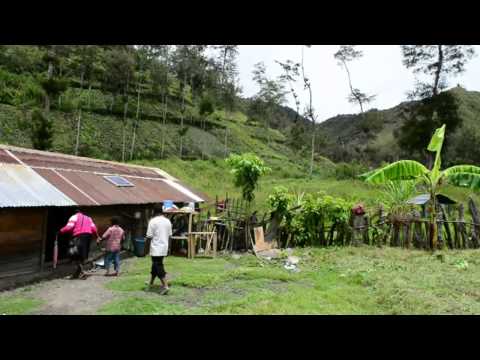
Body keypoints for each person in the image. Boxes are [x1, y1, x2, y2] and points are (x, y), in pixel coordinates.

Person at [59, 208, 99, 279]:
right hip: (88, 237)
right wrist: (97, 236)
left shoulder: (74, 217)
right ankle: (77, 274)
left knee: (74, 254)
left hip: (78, 237)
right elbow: (94, 228)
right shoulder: (88, 218)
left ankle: (82, 272)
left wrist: (60, 231)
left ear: (75, 212)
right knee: (82, 256)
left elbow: (69, 227)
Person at [145, 205, 172, 294]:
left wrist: (145, 249)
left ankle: (165, 286)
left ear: (153, 212)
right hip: (164, 246)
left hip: (156, 247)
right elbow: (170, 236)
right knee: (155, 265)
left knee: (158, 265)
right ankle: (151, 282)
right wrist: (169, 248)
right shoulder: (167, 221)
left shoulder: (152, 221)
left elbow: (149, 237)